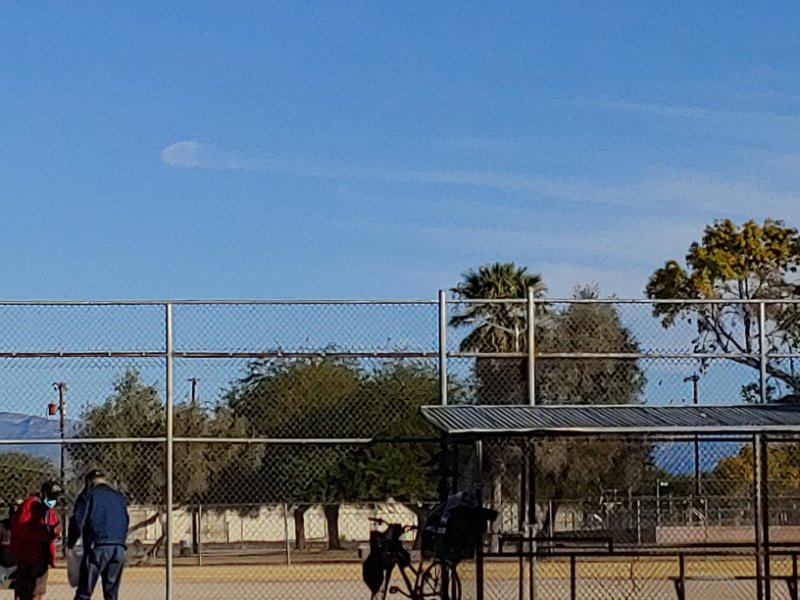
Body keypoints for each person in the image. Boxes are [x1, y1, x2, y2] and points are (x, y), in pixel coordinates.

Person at [67, 469, 129, 600]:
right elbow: (125, 520)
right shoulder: (119, 497)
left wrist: (71, 542)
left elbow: (78, 521)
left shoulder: (88, 494)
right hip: (119, 547)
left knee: (84, 592)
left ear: (88, 482)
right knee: (111, 593)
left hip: (98, 546)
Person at [10, 482, 62, 600]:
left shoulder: (48, 510)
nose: (53, 501)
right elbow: (21, 526)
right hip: (29, 555)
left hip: (42, 556)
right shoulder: (30, 504)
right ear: (44, 494)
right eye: (51, 497)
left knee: (38, 590)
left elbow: (51, 529)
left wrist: (56, 531)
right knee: (24, 591)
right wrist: (45, 534)